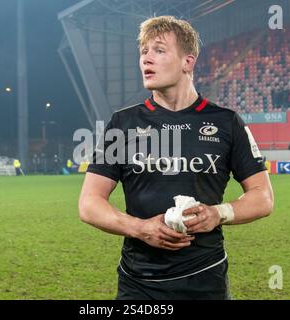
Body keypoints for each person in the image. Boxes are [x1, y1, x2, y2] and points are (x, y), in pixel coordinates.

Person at [78, 16, 274, 300]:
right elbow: (89, 203)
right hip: (138, 284)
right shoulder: (122, 123)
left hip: (205, 279)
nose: (147, 59)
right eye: (143, 51)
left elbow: (263, 197)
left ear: (188, 62)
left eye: (158, 50)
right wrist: (141, 228)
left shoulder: (226, 122)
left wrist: (218, 213)